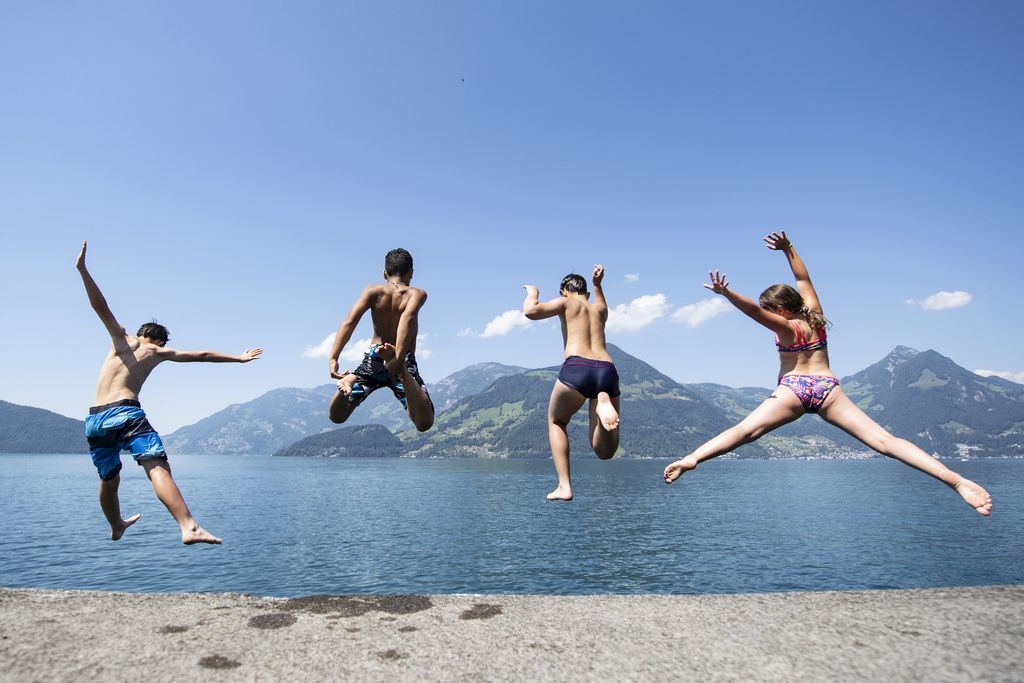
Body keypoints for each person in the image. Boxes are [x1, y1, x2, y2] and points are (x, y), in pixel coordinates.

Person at [663, 231, 992, 515]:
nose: (767, 313)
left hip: (793, 389)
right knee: (885, 441)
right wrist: (789, 249)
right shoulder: (815, 316)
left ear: (779, 310)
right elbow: (804, 280)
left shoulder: (785, 326)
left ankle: (693, 458)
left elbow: (753, 312)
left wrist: (727, 294)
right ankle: (955, 480)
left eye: (769, 309)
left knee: (747, 430)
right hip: (826, 387)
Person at [75, 241, 262, 543]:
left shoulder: (119, 340)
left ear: (140, 332)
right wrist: (239, 358)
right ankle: (188, 525)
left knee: (109, 480)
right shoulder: (158, 352)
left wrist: (83, 270)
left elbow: (100, 305)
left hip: (95, 419)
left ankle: (115, 525)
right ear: (159, 340)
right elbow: (201, 355)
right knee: (156, 465)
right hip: (126, 411)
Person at [524, 265, 621, 501]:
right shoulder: (599, 310)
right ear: (586, 293)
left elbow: (531, 312)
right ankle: (602, 402)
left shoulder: (566, 303)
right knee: (604, 451)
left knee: (556, 420)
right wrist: (598, 285)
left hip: (578, 367)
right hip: (607, 370)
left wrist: (532, 292)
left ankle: (564, 486)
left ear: (563, 291)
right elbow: (602, 303)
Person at [327, 248, 434, 432]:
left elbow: (350, 321)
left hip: (374, 357)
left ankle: (350, 380)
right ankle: (403, 373)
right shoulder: (416, 293)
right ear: (411, 273)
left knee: (337, 416)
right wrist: (398, 359)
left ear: (385, 273)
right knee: (424, 422)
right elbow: (407, 318)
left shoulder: (372, 291)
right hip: (402, 359)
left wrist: (334, 358)